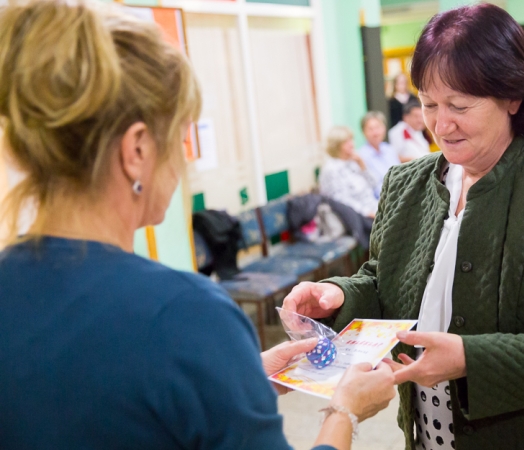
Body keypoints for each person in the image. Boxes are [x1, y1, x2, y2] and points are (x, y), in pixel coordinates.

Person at [0, 2, 396, 449]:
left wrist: (232, 382)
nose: (185, 160)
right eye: (179, 138)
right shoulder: (187, 315)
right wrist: (345, 412)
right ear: (137, 151)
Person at [283, 4, 524, 449]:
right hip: (432, 433)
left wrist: (470, 358)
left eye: (460, 106)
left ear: (512, 97)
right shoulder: (405, 182)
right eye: (428, 104)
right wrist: (341, 294)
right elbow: (385, 279)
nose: (441, 125)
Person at [318, 126, 378, 218]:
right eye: (346, 142)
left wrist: (362, 166)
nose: (352, 144)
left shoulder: (353, 161)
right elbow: (342, 201)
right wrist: (369, 213)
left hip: (375, 207)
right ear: (336, 145)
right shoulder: (331, 169)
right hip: (360, 217)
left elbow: (374, 184)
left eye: (351, 140)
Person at [357, 111, 400, 198]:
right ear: (363, 132)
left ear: (384, 128)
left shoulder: (389, 149)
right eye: (370, 129)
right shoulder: (361, 156)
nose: (375, 133)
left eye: (378, 127)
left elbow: (400, 175)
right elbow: (371, 187)